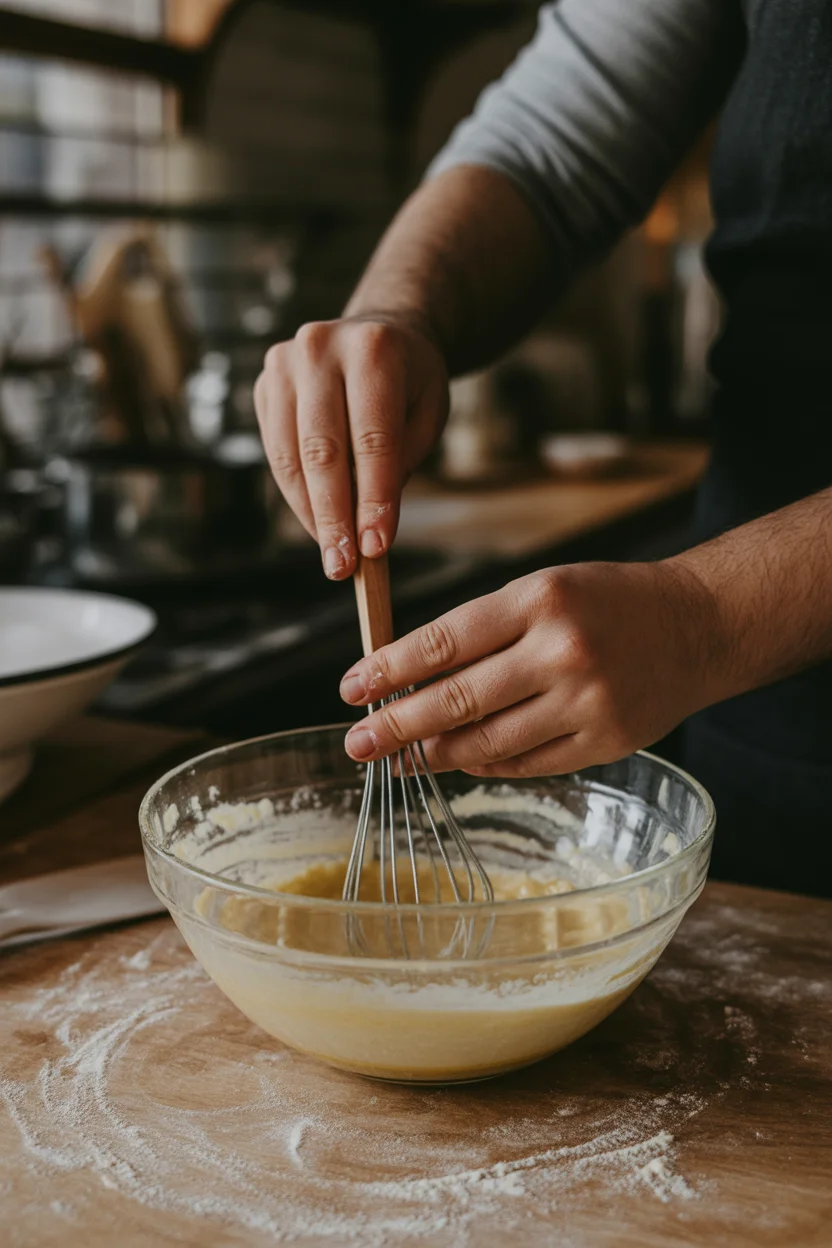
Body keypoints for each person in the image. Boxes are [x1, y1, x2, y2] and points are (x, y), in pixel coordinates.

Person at [254, 0, 832, 898]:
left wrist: (706, 618)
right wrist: (397, 313)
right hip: (764, 729)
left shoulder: (702, 629)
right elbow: (546, 148)